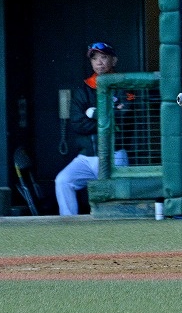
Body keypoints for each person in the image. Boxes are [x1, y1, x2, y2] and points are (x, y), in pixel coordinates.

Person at [54, 42, 130, 215]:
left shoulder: (124, 85)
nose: (99, 62)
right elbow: (77, 123)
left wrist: (93, 114)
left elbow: (125, 116)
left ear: (114, 60)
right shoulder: (83, 89)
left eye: (104, 57)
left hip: (115, 154)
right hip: (87, 157)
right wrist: (107, 118)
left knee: (118, 198)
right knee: (63, 181)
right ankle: (69, 225)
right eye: (94, 59)